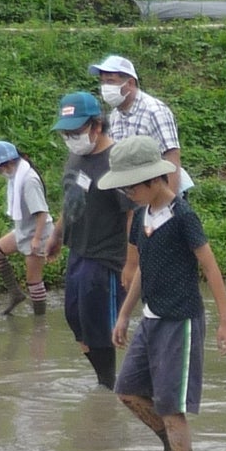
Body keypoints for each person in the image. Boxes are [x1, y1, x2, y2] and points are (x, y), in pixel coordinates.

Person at [104, 137, 226, 451]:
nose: (127, 194)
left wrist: (225, 321)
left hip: (181, 320)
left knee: (170, 406)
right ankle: (171, 447)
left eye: (131, 187)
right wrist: (123, 315)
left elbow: (210, 265)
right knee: (127, 390)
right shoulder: (141, 215)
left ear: (152, 179)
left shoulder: (182, 216)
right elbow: (142, 271)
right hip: (151, 318)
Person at [45, 93, 127, 386]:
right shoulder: (76, 155)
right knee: (75, 319)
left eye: (76, 131)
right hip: (77, 250)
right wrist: (56, 234)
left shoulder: (116, 161)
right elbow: (71, 199)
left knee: (101, 327)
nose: (71, 137)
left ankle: (109, 385)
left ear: (97, 125)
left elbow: (131, 215)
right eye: (66, 132)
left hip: (106, 257)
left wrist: (131, 263)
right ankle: (106, 381)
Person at [0, 140, 53, 316]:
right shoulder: (16, 176)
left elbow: (42, 212)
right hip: (23, 229)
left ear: (9, 163)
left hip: (38, 232)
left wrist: (36, 240)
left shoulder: (28, 180)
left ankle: (39, 319)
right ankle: (15, 293)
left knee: (34, 281)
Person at [90, 54, 185, 191]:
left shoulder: (155, 111)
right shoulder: (115, 115)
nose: (105, 87)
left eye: (110, 81)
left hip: (157, 193)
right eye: (103, 82)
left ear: (130, 83)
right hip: (134, 195)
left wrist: (168, 206)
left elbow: (172, 158)